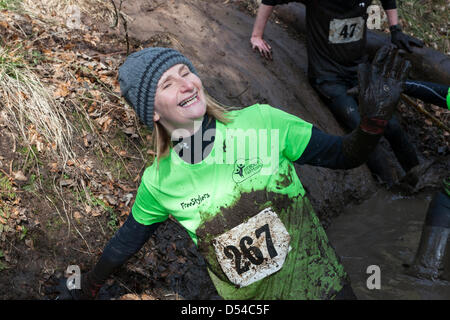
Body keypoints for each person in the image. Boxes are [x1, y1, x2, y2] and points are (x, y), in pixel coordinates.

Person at [54, 45, 410, 300]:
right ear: (153, 114)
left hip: (326, 289)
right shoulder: (159, 181)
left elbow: (344, 155)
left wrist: (372, 123)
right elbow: (126, 242)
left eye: (185, 72)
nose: (186, 84)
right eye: (167, 84)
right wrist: (88, 287)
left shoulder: (262, 122)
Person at [250, 0, 433, 187]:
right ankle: (392, 188)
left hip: (359, 73)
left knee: (392, 126)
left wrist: (396, 31)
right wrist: (257, 35)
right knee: (363, 130)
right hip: (328, 78)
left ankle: (418, 179)